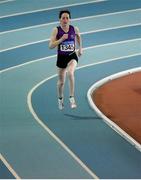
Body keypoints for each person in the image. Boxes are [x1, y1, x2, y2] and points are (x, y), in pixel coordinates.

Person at [49, 10, 83, 110]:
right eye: (63, 18)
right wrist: (61, 40)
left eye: (67, 18)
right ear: (59, 19)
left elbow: (79, 37)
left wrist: (80, 48)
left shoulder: (74, 28)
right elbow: (50, 46)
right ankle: (60, 99)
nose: (65, 20)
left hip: (72, 55)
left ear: (70, 19)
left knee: (70, 72)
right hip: (61, 57)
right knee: (61, 82)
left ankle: (72, 98)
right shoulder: (56, 30)